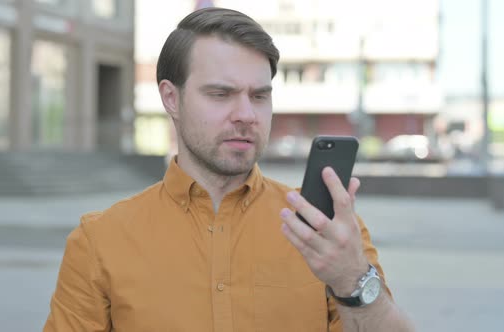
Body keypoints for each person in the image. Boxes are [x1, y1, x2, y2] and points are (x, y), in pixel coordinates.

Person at [44, 7, 414, 332]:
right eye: (220, 94)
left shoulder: (328, 231)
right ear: (171, 98)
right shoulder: (100, 241)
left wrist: (351, 280)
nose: (246, 115)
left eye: (259, 96)